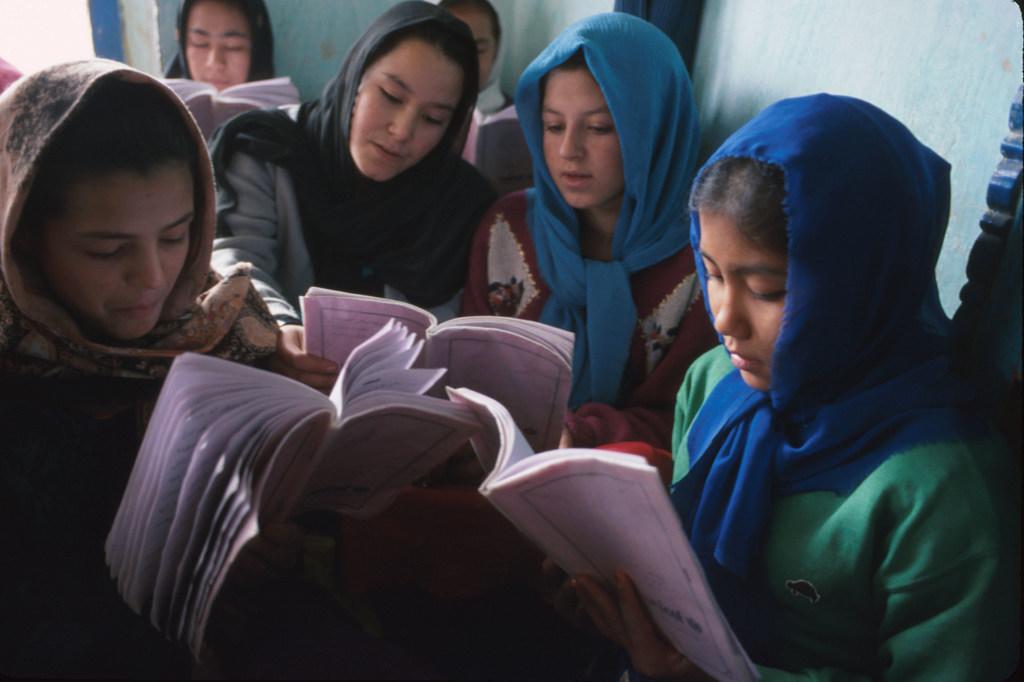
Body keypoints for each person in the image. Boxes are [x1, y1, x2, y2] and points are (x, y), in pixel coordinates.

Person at [569, 94, 1020, 680]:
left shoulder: (938, 495)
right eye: (710, 273)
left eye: (768, 290)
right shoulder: (714, 384)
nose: (724, 317)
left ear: (859, 280)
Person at [0, 59, 280, 677]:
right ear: (22, 238)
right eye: (107, 249)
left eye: (177, 236)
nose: (154, 279)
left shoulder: (226, 331)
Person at [462, 12, 717, 451]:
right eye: (552, 125)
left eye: (599, 127)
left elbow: (690, 422)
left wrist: (585, 435)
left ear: (654, 131)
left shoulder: (703, 262)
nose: (568, 151)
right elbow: (465, 364)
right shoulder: (508, 227)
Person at [210, 0, 496, 391]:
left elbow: (444, 324)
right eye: (391, 96)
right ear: (356, 77)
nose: (402, 130)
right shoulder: (266, 148)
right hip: (269, 392)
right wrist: (277, 327)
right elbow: (235, 263)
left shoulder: (458, 203)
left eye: (433, 119)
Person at [164, 0, 274, 91]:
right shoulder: (159, 110)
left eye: (233, 46)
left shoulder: (284, 115)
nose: (215, 63)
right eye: (200, 43)